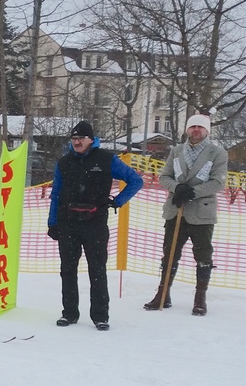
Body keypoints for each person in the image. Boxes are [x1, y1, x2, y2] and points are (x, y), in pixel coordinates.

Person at [47, 121, 143, 331]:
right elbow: (56, 193)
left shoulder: (106, 159)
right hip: (68, 222)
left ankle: (100, 316)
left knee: (97, 269)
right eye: (74, 139)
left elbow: (136, 180)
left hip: (95, 224)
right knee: (67, 270)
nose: (77, 142)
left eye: (81, 138)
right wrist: (52, 222)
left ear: (91, 139)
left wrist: (118, 201)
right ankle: (69, 313)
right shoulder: (64, 162)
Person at [143, 113, 228, 316]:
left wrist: (191, 192)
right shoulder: (177, 151)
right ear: (187, 129)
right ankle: (163, 293)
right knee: (170, 254)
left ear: (207, 130)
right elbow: (164, 176)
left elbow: (218, 182)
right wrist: (177, 188)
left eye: (200, 127)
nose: (196, 130)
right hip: (175, 211)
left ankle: (200, 297)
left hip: (201, 212)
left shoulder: (217, 153)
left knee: (203, 255)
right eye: (193, 127)